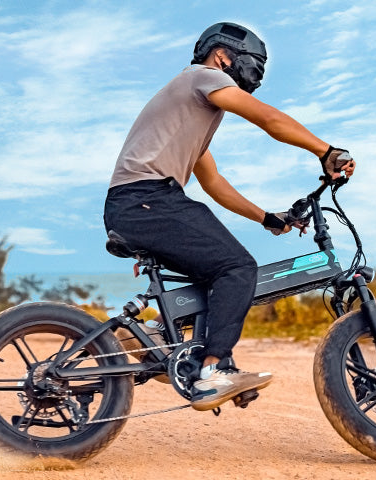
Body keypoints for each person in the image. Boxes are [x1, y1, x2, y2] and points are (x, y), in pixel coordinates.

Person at [103, 22, 356, 411]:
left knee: (216, 268)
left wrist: (265, 218)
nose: (256, 77)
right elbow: (269, 119)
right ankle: (213, 370)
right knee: (236, 268)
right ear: (224, 56)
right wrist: (326, 152)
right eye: (253, 65)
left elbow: (213, 182)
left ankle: (156, 334)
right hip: (147, 197)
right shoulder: (203, 77)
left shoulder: (189, 113)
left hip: (139, 203)